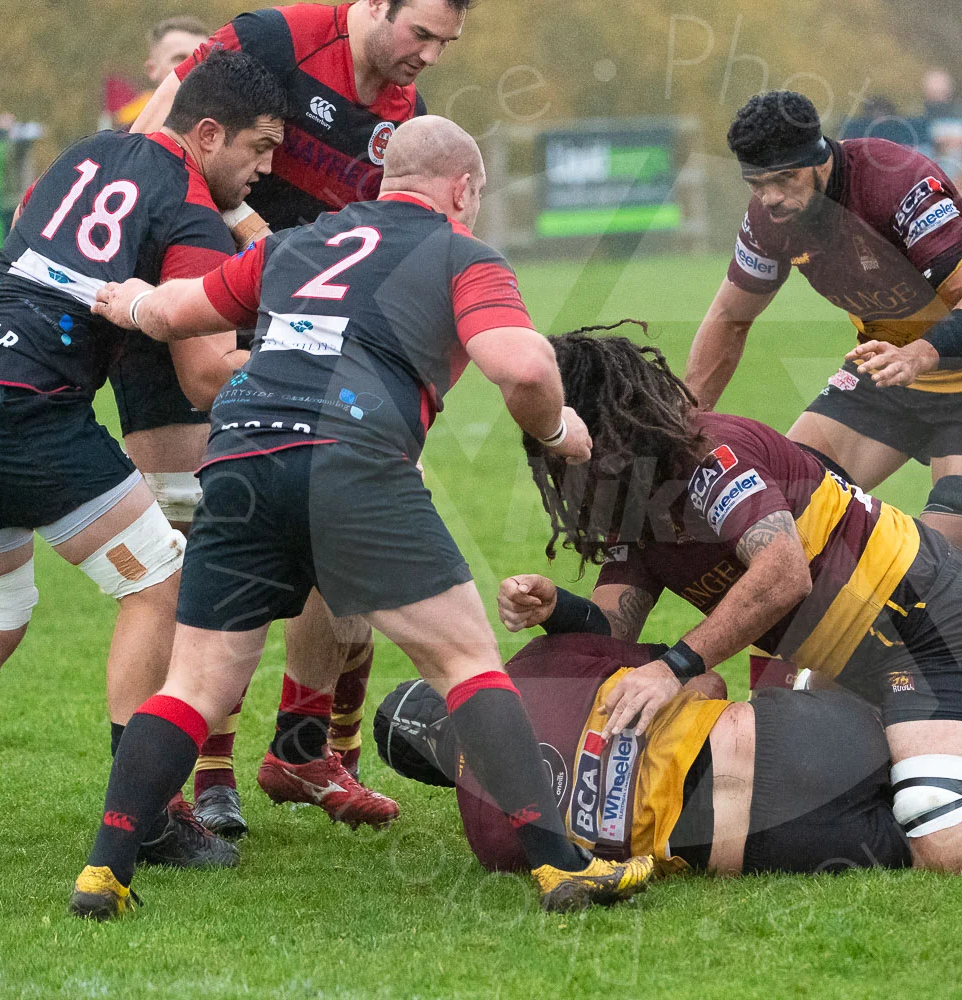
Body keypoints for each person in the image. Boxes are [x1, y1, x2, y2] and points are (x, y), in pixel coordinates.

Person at [67, 116, 655, 918]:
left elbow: (177, 313)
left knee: (195, 682)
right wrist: (556, 429)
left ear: (385, 182)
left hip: (238, 454)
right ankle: (561, 867)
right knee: (464, 661)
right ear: (465, 190)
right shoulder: (461, 253)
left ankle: (104, 871)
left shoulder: (295, 246)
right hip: (352, 455)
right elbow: (522, 365)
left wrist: (131, 302)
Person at [492, 330, 962, 885]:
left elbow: (781, 574)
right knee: (940, 774)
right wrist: (557, 607)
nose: (559, 460)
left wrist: (677, 667)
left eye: (562, 437)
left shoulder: (707, 458)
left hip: (933, 628)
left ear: (608, 422)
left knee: (944, 839)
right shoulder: (636, 514)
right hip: (861, 659)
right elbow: (611, 638)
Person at [0, 50, 289, 872]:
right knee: (161, 583)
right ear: (208, 132)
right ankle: (143, 816)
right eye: (259, 148)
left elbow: (20, 260)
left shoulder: (84, 152)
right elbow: (205, 372)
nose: (265, 169)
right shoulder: (189, 212)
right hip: (22, 406)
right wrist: (313, 361)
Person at [128, 0, 471, 837]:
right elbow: (154, 141)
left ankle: (303, 747)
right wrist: (246, 238)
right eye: (416, 32)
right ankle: (195, 780)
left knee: (356, 510)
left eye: (442, 43)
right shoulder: (274, 39)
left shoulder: (405, 120)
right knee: (188, 545)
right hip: (183, 288)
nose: (425, 54)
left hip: (291, 327)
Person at [378, 633, 962, 877]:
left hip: (760, 849)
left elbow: (589, 869)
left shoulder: (484, 834)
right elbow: (693, 683)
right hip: (782, 740)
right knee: (958, 789)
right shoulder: (537, 668)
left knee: (951, 838)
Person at [686, 90, 962, 564]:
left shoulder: (897, 185)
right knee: (779, 519)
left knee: (940, 567)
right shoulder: (770, 219)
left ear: (818, 159)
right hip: (885, 370)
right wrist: (683, 427)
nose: (770, 197)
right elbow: (729, 319)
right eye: (755, 183)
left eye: (784, 179)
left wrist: (918, 355)